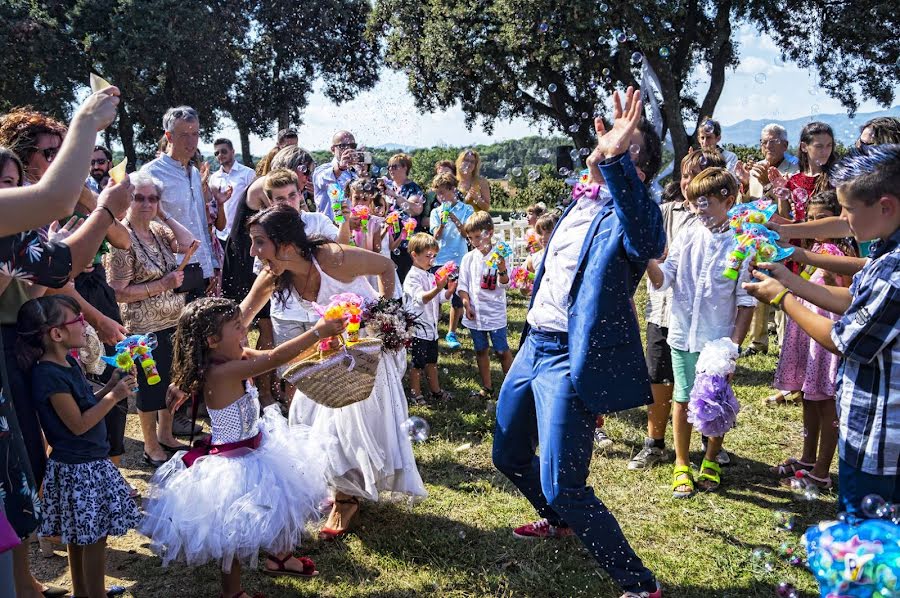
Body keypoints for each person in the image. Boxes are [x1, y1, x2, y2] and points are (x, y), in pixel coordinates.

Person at [492, 87, 663, 598]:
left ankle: (639, 583)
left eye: (623, 144)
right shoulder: (579, 205)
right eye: (608, 141)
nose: (607, 145)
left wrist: (615, 161)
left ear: (640, 167)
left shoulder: (635, 215)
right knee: (508, 454)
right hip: (533, 347)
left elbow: (649, 242)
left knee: (565, 483)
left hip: (571, 358)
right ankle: (558, 520)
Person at [243, 205, 426, 540]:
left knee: (355, 423)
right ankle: (344, 487)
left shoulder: (332, 258)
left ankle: (345, 498)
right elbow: (241, 318)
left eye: (259, 242)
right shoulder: (273, 274)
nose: (253, 251)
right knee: (307, 414)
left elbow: (386, 267)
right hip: (330, 355)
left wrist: (387, 319)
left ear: (285, 244)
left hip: (368, 350)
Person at [140, 298, 343, 598]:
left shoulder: (234, 357)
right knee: (233, 534)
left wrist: (319, 347)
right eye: (236, 327)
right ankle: (232, 592)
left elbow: (272, 356)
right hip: (234, 464)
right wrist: (317, 332)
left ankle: (280, 557)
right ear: (212, 341)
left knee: (279, 504)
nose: (244, 329)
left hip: (258, 445)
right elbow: (273, 357)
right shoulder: (222, 372)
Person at [743, 144, 900, 514]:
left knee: (867, 547)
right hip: (870, 432)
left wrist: (783, 298)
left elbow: (841, 339)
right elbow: (856, 303)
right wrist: (790, 278)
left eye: (848, 210)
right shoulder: (885, 251)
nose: (844, 219)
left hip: (879, 442)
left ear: (885, 206)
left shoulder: (895, 271)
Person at [17, 295, 141, 598]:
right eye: (78, 320)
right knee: (93, 536)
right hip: (79, 468)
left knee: (80, 535)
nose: (85, 325)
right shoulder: (47, 374)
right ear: (56, 334)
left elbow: (85, 404)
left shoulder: (67, 362)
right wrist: (115, 397)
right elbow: (78, 424)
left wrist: (111, 386)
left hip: (86, 463)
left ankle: (84, 592)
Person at [646, 167, 755, 498]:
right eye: (695, 203)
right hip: (682, 336)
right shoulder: (689, 234)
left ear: (730, 201)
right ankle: (681, 462)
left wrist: (732, 345)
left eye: (705, 202)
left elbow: (746, 300)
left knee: (715, 402)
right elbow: (665, 278)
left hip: (718, 342)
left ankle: (710, 458)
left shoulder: (742, 243)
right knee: (682, 399)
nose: (698, 209)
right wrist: (648, 261)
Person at [629, 149, 726, 471]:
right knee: (659, 379)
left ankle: (709, 441)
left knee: (707, 385)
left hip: (710, 321)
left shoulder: (728, 226)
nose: (690, 182)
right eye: (685, 175)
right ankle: (654, 443)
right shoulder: (667, 213)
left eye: (699, 175)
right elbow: (661, 267)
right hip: (666, 312)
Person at [106, 171, 199, 467]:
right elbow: (118, 292)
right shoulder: (122, 239)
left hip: (173, 322)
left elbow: (189, 243)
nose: (146, 204)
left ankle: (166, 434)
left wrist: (165, 214)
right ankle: (150, 446)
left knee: (172, 380)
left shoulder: (159, 232)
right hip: (143, 329)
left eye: (153, 198)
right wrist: (162, 285)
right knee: (150, 388)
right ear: (128, 201)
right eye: (139, 198)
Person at [768, 191, 851, 491]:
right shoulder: (820, 250)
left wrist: (828, 277)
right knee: (809, 397)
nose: (817, 226)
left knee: (825, 402)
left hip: (825, 341)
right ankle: (807, 457)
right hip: (809, 337)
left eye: (822, 220)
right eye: (812, 220)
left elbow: (844, 292)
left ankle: (821, 470)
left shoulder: (837, 254)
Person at [0, 86, 122, 236]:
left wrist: (89, 200)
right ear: (23, 157)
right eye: (50, 153)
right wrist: (87, 119)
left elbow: (123, 238)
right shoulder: (17, 195)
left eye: (62, 152)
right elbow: (56, 201)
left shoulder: (69, 193)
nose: (60, 159)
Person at [140, 106, 216, 300]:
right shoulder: (150, 174)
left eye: (195, 134)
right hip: (170, 270)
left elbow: (200, 223)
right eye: (184, 135)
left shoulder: (195, 173)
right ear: (169, 136)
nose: (191, 141)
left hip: (200, 268)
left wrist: (211, 266)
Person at [458, 211, 513, 399]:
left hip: (494, 313)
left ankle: (511, 388)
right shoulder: (468, 258)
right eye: (470, 237)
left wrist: (502, 268)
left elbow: (506, 284)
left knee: (501, 351)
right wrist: (466, 303)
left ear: (489, 232)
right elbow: (462, 285)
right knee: (480, 350)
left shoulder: (500, 253)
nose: (474, 241)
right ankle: (487, 387)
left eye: (477, 236)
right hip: (475, 313)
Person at [402, 233, 456, 403]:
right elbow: (422, 298)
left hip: (431, 329)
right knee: (417, 363)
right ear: (414, 255)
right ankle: (415, 394)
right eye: (428, 256)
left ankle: (436, 391)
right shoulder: (412, 277)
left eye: (434, 256)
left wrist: (448, 291)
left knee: (432, 361)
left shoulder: (430, 275)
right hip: (419, 329)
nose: (431, 259)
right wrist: (439, 288)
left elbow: (438, 299)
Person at [429, 172, 474, 350]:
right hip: (440, 258)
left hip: (459, 258)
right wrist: (441, 223)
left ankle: (451, 332)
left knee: (457, 296)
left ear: (452, 190)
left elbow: (466, 234)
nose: (440, 197)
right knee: (436, 295)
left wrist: (455, 219)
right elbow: (435, 236)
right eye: (437, 193)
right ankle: (432, 328)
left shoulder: (466, 210)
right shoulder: (435, 212)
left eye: (442, 192)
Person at [383, 153, 425, 282]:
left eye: (395, 166)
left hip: (407, 242)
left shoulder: (413, 188)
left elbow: (415, 210)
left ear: (405, 167)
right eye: (389, 167)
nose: (391, 169)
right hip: (389, 240)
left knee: (405, 278)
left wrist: (394, 196)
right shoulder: (388, 187)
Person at [209, 138, 256, 242]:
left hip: (242, 233)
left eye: (224, 151)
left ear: (233, 152)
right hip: (220, 235)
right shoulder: (214, 178)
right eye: (216, 153)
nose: (220, 155)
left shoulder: (248, 174)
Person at [736, 123, 799, 200]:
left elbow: (792, 206)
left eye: (773, 141)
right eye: (765, 142)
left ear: (785, 145)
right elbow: (743, 206)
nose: (768, 146)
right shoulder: (756, 169)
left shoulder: (795, 171)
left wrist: (768, 184)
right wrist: (745, 185)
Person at [312, 130, 359, 220]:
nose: (348, 150)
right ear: (333, 150)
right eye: (343, 146)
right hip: (327, 228)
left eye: (352, 146)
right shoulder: (322, 169)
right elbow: (325, 179)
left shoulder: (354, 173)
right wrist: (341, 167)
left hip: (349, 227)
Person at [523, 212, 559, 278]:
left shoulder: (564, 256)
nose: (543, 237)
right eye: (539, 233)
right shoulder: (533, 259)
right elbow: (527, 283)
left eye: (548, 232)